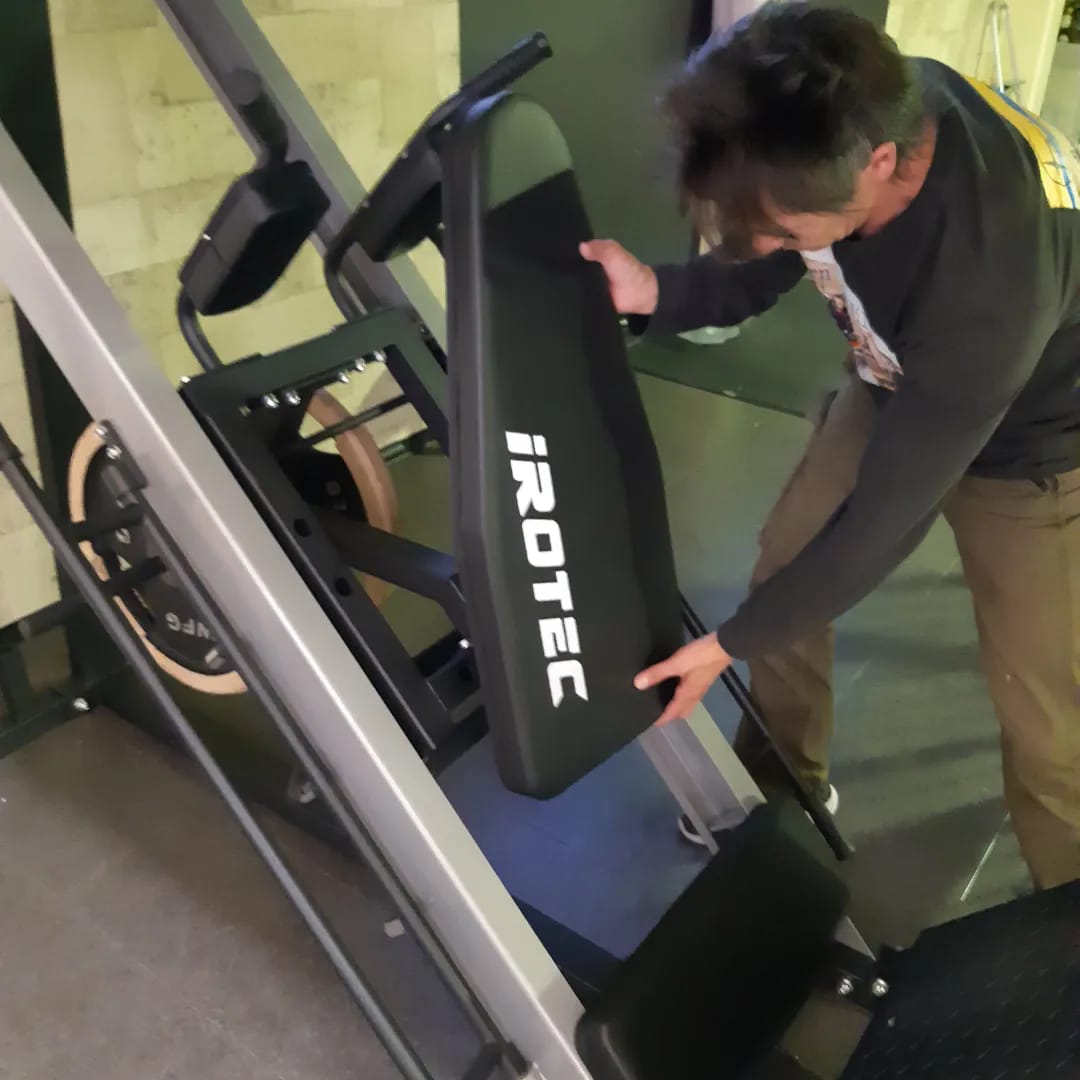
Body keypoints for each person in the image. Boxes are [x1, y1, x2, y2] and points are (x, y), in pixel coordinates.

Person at [582, 2, 1080, 889]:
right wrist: (654, 289)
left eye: (784, 227)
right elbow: (773, 249)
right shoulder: (856, 118)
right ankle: (783, 791)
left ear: (883, 165)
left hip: (1038, 448)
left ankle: (1064, 912)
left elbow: (884, 521)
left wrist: (728, 644)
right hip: (899, 376)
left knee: (1047, 723)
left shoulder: (985, 274)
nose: (768, 242)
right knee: (787, 569)